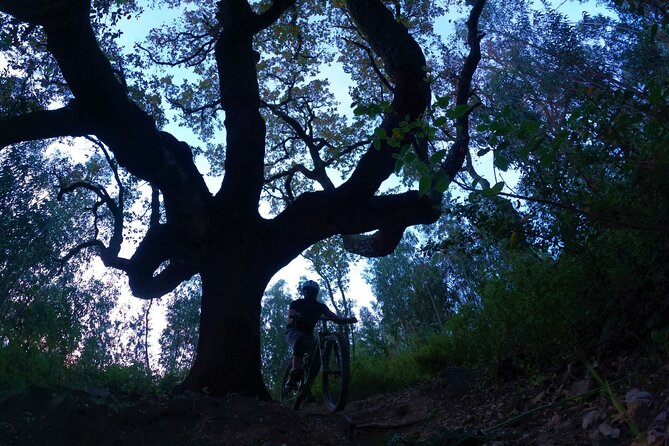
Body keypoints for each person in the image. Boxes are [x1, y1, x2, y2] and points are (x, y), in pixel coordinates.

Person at [284, 279, 357, 389]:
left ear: (316, 293)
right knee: (300, 339)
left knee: (316, 360)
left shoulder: (320, 306)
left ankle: (307, 388)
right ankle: (293, 376)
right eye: (308, 291)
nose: (310, 293)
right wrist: (297, 316)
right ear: (304, 292)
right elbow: (291, 315)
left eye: (313, 291)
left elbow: (334, 317)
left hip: (308, 335)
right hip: (293, 331)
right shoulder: (297, 303)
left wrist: (345, 320)